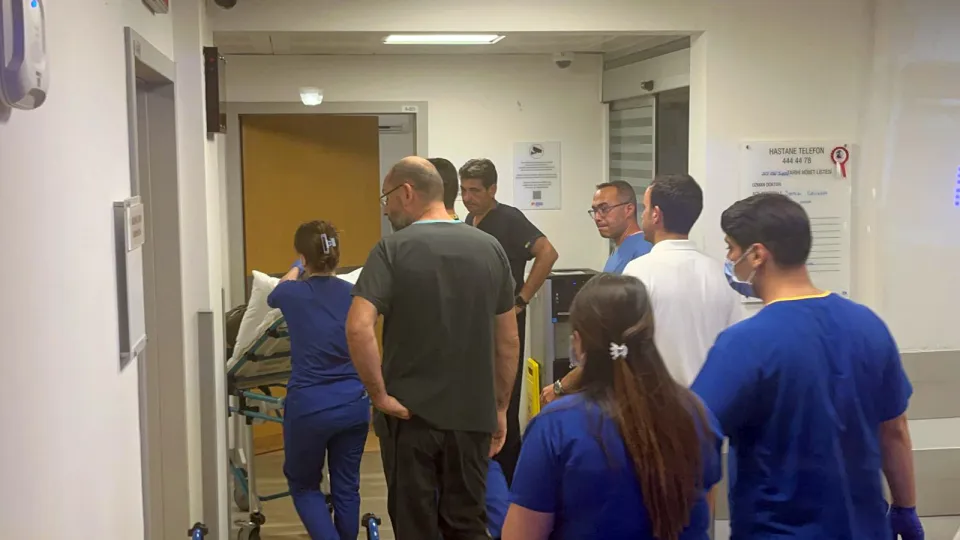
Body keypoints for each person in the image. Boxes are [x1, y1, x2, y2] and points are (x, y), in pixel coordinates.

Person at [692, 192, 923, 539]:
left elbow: (693, 441)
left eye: (731, 248)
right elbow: (894, 430)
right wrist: (905, 508)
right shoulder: (868, 326)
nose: (728, 259)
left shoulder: (744, 343)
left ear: (757, 254)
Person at [346, 156, 520, 540]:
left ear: (407, 192)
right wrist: (500, 407)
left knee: (415, 527)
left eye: (387, 197)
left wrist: (379, 396)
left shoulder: (391, 250)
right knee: (467, 524)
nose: (386, 209)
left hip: (410, 419)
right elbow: (508, 340)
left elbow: (358, 327)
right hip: (472, 417)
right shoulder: (490, 249)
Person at [502, 273, 722, 540]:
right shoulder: (697, 415)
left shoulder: (555, 427)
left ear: (578, 342)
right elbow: (703, 518)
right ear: (649, 336)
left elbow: (521, 534)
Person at [542, 173, 742, 403]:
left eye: (645, 208)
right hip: (708, 407)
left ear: (656, 214)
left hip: (656, 405)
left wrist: (562, 387)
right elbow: (733, 349)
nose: (643, 214)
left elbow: (612, 346)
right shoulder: (720, 275)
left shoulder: (639, 272)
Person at [266, 221, 370, 540]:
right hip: (354, 405)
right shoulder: (356, 294)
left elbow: (274, 294)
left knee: (304, 485)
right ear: (337, 256)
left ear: (303, 256)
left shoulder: (292, 293)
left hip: (309, 407)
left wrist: (296, 268)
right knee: (347, 486)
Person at [460, 157, 559, 484]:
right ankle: (483, 476)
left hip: (505, 324)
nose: (468, 197)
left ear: (493, 189)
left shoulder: (510, 219)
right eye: (463, 190)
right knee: (481, 398)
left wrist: (522, 299)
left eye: (475, 190)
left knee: (505, 397)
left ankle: (510, 482)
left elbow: (548, 253)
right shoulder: (470, 220)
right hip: (478, 323)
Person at [590, 181, 652, 273]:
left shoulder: (644, 250)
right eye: (595, 210)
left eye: (604, 209)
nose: (597, 218)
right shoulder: (618, 250)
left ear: (629, 209)